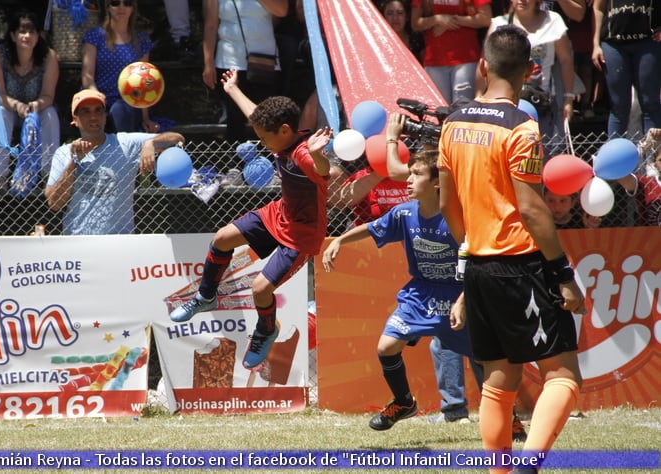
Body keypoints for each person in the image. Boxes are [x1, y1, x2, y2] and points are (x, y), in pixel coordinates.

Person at [438, 25, 584, 467]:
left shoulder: (452, 121)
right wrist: (562, 274)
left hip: (479, 266)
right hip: (520, 265)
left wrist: (470, 251)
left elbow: (447, 205)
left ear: (482, 66)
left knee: (498, 382)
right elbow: (533, 209)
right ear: (532, 71)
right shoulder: (522, 127)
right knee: (563, 376)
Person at [169, 69, 332, 369]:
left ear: (284, 131)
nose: (262, 143)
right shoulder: (279, 134)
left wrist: (319, 154)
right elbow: (257, 115)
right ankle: (206, 296)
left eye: (264, 139)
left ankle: (267, 329)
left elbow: (323, 172)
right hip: (279, 213)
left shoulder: (302, 154)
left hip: (302, 235)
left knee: (261, 289)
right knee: (221, 238)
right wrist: (231, 89)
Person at [323, 150, 479, 431]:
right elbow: (373, 228)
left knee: (484, 358)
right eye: (409, 172)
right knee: (386, 347)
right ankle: (404, 402)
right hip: (420, 294)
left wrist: (465, 299)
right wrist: (340, 241)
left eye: (416, 174)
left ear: (437, 183)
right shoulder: (403, 212)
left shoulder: (459, 217)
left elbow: (479, 262)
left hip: (459, 295)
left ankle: (510, 419)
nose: (408, 180)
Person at [44, 89, 185, 235]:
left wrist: (151, 143)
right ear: (75, 119)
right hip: (78, 241)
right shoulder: (64, 152)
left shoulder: (125, 143)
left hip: (119, 243)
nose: (93, 116)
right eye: (86, 111)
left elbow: (178, 138)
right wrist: (73, 163)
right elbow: (54, 203)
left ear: (105, 116)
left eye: (98, 110)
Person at [0, 10, 60, 190]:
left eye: (31, 32)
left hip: (34, 109)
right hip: (1, 106)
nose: (27, 36)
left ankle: (49, 176)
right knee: (2, 114)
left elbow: (48, 96)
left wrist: (36, 105)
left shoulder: (49, 57)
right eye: (22, 32)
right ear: (13, 35)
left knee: (50, 114)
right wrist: (17, 105)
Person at [487, 0, 577, 153]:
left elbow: (566, 60)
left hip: (545, 102)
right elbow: (487, 64)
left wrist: (568, 98)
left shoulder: (553, 20)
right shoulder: (498, 24)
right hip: (507, 103)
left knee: (548, 152)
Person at [202, 0, 288, 142]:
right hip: (229, 60)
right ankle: (235, 162)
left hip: (264, 59)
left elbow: (282, 10)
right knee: (235, 119)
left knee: (268, 117)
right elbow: (210, 25)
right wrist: (208, 63)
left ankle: (270, 161)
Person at [81, 0, 160, 134]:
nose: (121, 7)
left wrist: (145, 118)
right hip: (98, 98)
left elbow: (145, 84)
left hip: (128, 102)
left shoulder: (142, 40)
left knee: (119, 109)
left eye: (127, 3)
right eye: (115, 3)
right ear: (108, 7)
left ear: (133, 8)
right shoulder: (95, 36)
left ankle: (124, 154)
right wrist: (97, 97)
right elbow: (87, 75)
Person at [591, 0, 661, 137]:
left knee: (650, 102)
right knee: (618, 105)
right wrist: (595, 44)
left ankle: (653, 155)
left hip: (648, 42)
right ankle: (615, 154)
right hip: (613, 44)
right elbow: (597, 8)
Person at [410, 0, 492, 105]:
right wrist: (437, 19)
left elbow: (485, 19)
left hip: (466, 59)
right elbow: (415, 23)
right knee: (438, 107)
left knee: (462, 108)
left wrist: (450, 20)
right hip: (435, 61)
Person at [617, 127, 661, 226]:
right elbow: (618, 173)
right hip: (649, 239)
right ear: (654, 163)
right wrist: (642, 148)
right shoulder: (646, 184)